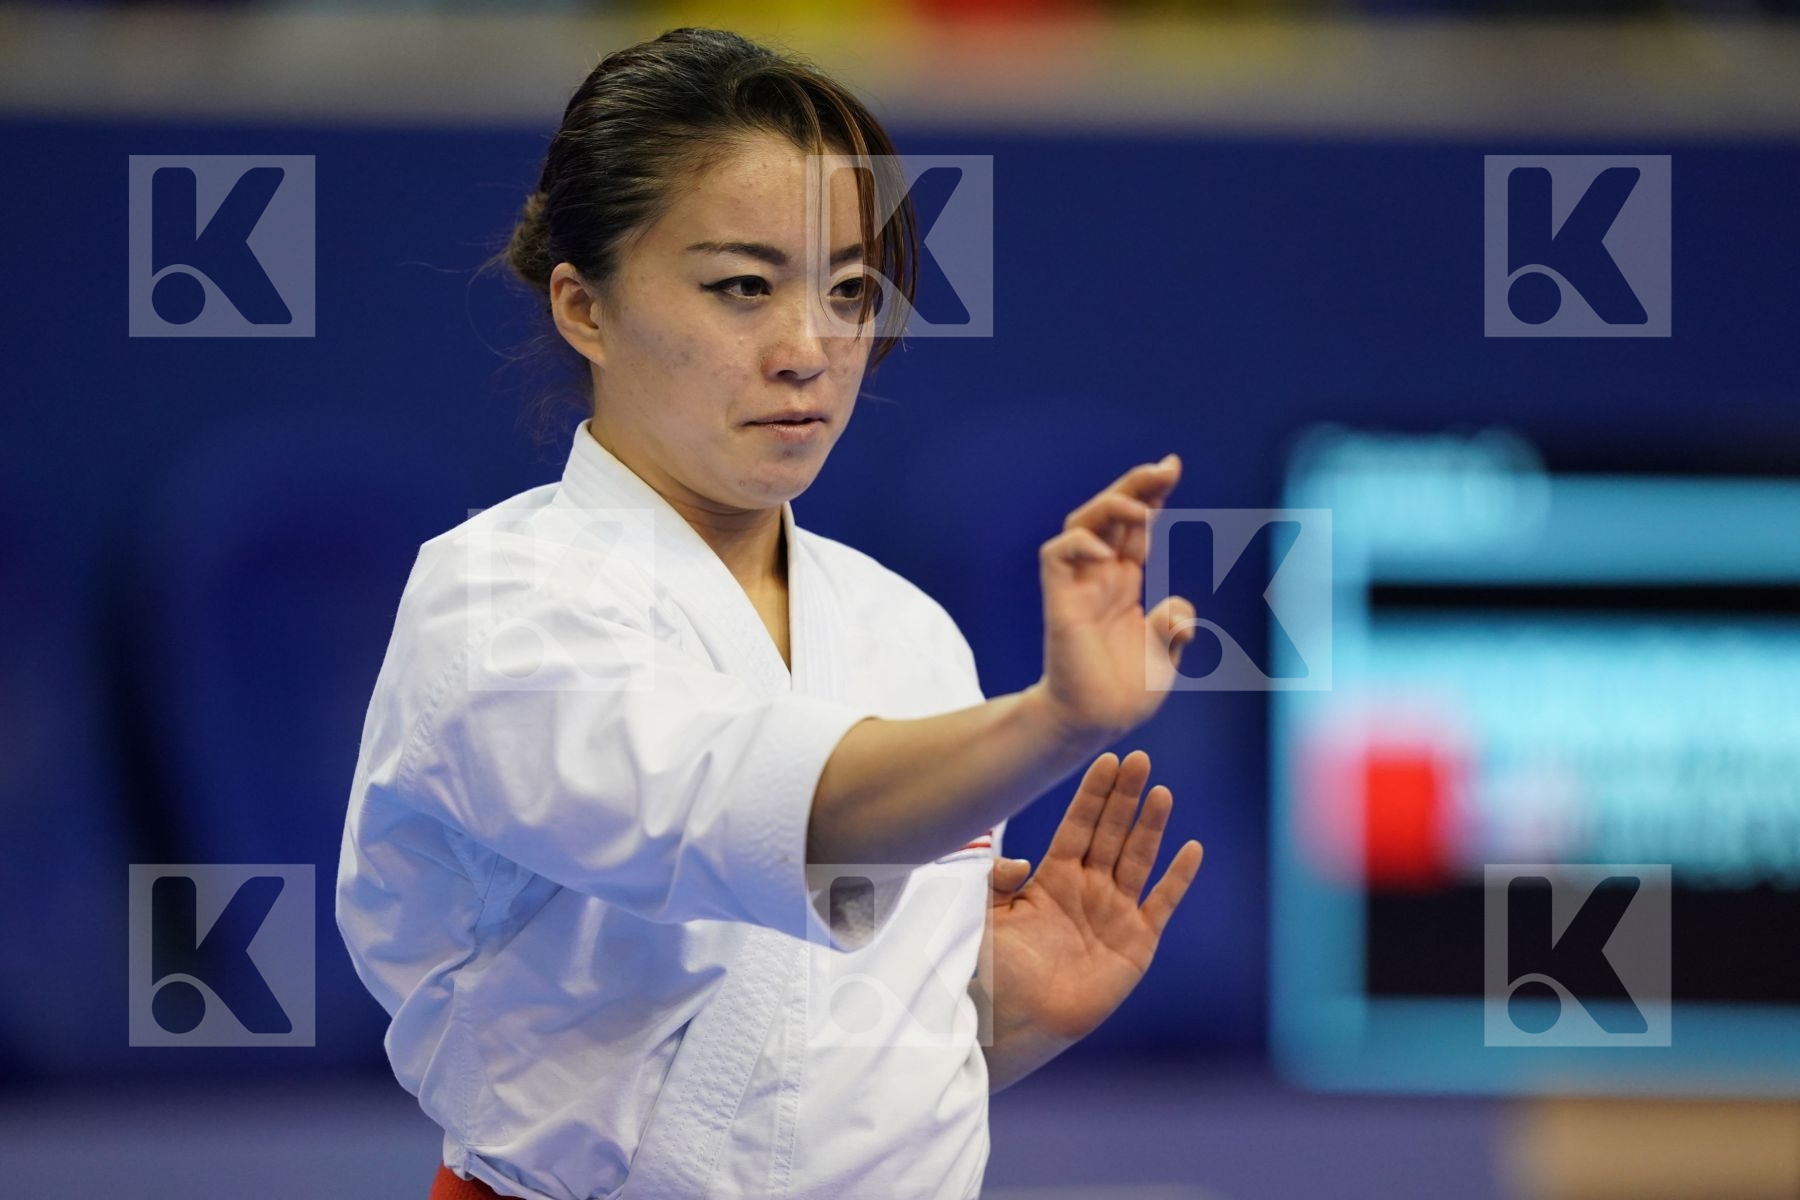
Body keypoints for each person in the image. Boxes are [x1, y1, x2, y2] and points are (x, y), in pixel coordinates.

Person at [335, 26, 1205, 1200]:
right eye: (742, 286)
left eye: (848, 289)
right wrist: (1049, 724)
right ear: (584, 307)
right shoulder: (497, 602)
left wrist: (1004, 1020)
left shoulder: (906, 632)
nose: (810, 349)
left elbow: (791, 1098)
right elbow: (756, 813)